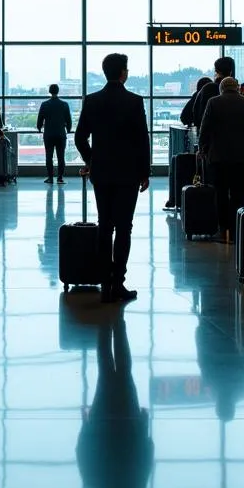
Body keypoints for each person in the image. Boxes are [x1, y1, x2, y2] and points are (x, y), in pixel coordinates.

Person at [74, 53, 151, 304]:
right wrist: (144, 172)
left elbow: (80, 137)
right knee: (124, 227)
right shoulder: (134, 101)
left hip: (102, 173)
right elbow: (142, 140)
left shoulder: (92, 101)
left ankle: (105, 282)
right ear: (123, 73)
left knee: (104, 225)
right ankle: (118, 282)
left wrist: (92, 161)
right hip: (128, 174)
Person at [76, 316, 153, 488]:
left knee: (123, 372)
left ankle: (116, 323)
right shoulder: (93, 483)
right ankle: (105, 324)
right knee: (106, 372)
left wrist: (143, 425)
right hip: (102, 423)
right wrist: (86, 423)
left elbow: (146, 451)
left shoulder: (136, 487)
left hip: (128, 424)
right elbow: (83, 450)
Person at [198, 76, 244, 240]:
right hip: (241, 158)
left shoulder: (213, 102)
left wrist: (202, 149)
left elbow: (204, 129)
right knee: (239, 195)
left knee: (220, 194)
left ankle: (223, 229)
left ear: (221, 88)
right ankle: (237, 229)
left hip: (218, 157)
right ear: (237, 88)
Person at [37, 83, 73, 184]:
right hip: (61, 134)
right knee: (61, 156)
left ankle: (50, 178)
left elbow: (40, 119)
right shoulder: (64, 104)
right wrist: (69, 129)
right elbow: (69, 120)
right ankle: (60, 178)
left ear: (49, 91)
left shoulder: (44, 104)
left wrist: (39, 128)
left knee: (49, 157)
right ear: (58, 91)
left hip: (48, 134)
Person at [192, 57, 235, 130]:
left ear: (216, 71)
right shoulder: (236, 94)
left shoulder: (208, 88)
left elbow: (196, 111)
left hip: (210, 135)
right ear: (231, 72)